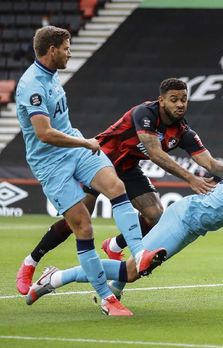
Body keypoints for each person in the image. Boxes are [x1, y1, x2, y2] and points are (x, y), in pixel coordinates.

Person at [16, 78, 223, 295]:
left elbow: (210, 163)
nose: (180, 104)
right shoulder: (145, 114)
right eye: (174, 99)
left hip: (128, 169)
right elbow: (155, 153)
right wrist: (191, 178)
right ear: (161, 101)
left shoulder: (183, 132)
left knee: (155, 215)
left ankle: (115, 244)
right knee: (77, 222)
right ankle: (31, 262)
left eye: (184, 99)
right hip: (100, 161)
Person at [25, 143, 223, 311]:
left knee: (133, 271)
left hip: (192, 225)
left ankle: (111, 287)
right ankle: (56, 278)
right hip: (184, 219)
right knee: (132, 271)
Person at [14, 26, 164, 316]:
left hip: (77, 149)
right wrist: (84, 141)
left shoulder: (52, 76)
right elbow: (44, 133)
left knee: (116, 187)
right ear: (52, 49)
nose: (70, 52)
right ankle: (107, 299)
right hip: (50, 163)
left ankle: (139, 251)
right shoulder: (32, 85)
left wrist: (81, 143)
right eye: (67, 48)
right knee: (83, 227)